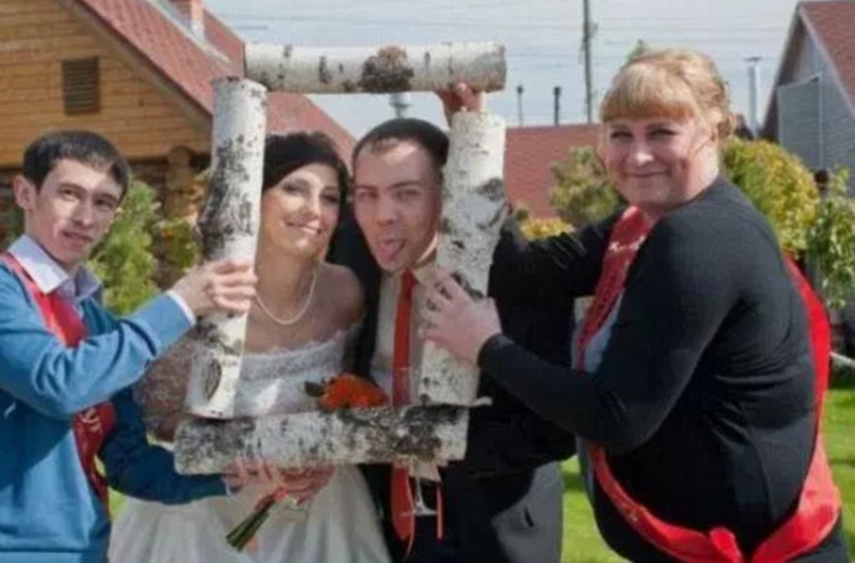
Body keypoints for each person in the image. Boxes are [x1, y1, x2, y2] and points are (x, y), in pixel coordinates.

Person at [421, 49, 848, 562]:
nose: (637, 155)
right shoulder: (643, 223)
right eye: (621, 134)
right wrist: (471, 134)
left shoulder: (699, 238)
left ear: (715, 129)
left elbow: (617, 416)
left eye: (661, 132)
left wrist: (486, 347)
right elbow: (523, 272)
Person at [0, 130, 260, 562]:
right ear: (25, 193)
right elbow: (58, 385)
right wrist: (178, 305)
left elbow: (128, 461)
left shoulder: (98, 322)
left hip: (89, 549)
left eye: (103, 202)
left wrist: (224, 473)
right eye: (69, 194)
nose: (85, 217)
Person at [109, 132, 391, 563]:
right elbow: (161, 418)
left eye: (330, 198)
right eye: (294, 189)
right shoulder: (204, 299)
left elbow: (347, 396)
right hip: (208, 514)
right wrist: (235, 449)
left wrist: (328, 454)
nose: (314, 210)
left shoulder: (346, 292)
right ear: (252, 199)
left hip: (320, 512)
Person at [329, 117, 574, 563]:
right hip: (382, 523)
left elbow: (556, 431)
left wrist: (427, 444)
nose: (383, 214)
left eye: (406, 193)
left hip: (494, 525)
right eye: (367, 194)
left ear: (448, 195)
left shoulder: (514, 270)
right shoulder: (348, 249)